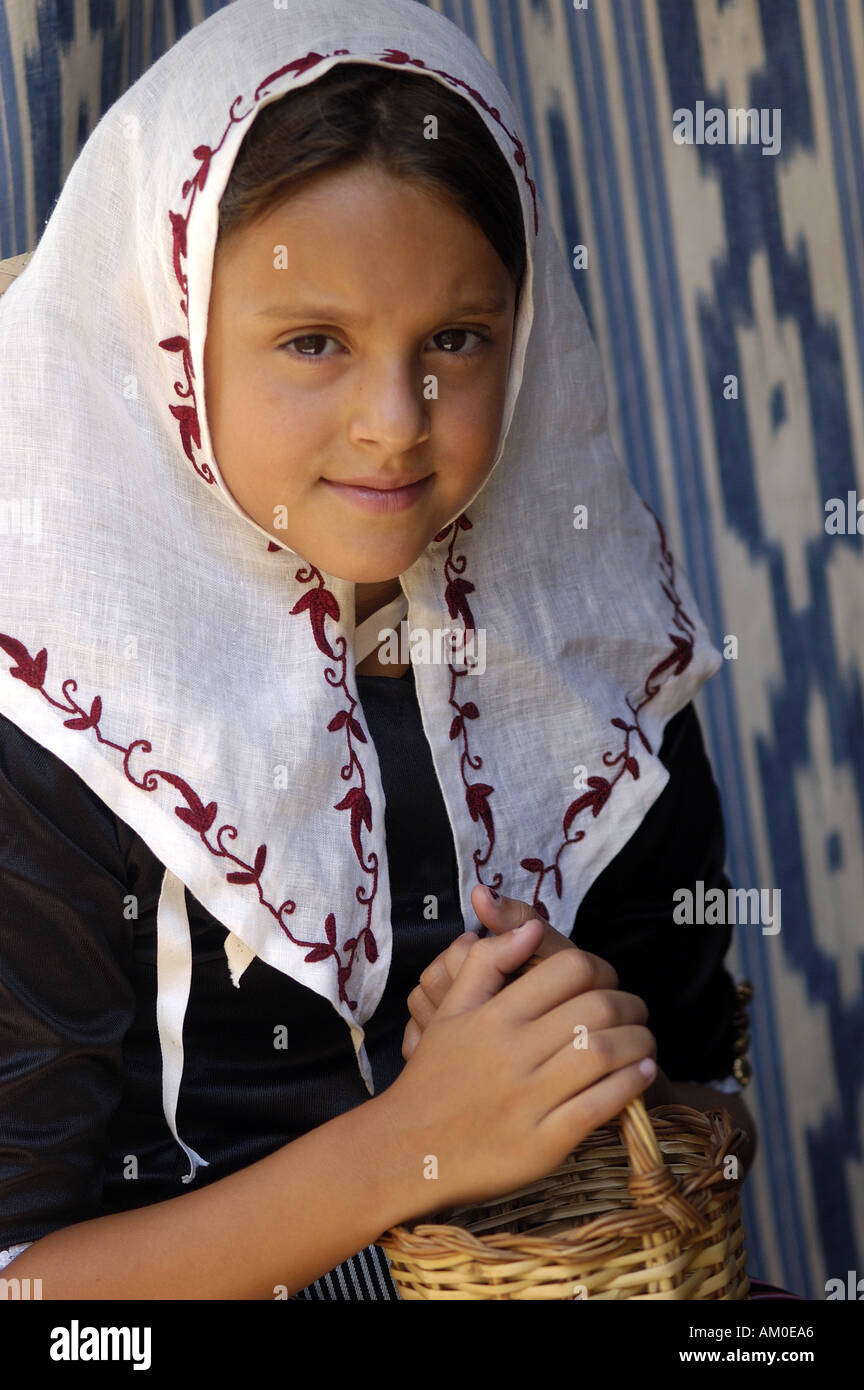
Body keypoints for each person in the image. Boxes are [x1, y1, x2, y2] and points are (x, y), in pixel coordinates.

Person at [0, 0, 787, 1301]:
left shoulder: (593, 660)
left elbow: (718, 1123)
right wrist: (417, 1143)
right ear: (170, 335)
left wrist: (592, 1056)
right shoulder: (61, 708)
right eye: (312, 341)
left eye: (457, 341)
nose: (393, 423)